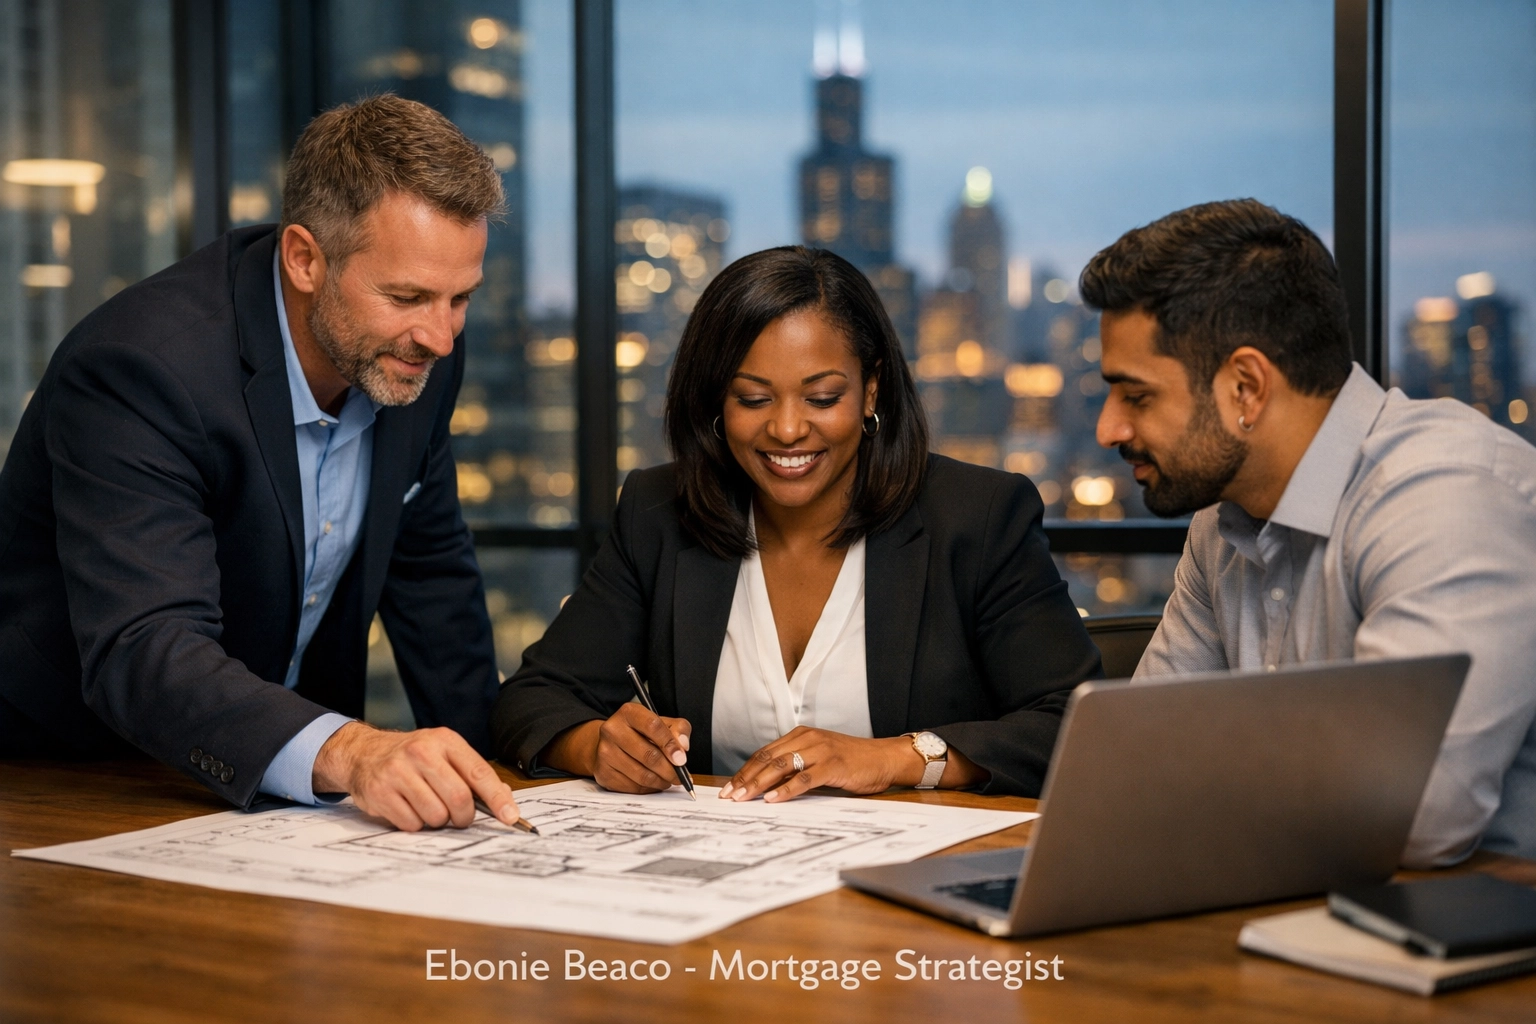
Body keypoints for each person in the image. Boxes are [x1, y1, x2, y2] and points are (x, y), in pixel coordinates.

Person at [0, 95, 524, 832]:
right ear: (305, 258)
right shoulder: (142, 368)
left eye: (460, 298)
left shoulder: (416, 349)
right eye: (406, 296)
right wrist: (353, 751)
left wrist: (500, 775)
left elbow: (431, 576)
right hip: (72, 776)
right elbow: (147, 646)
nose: (439, 336)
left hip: (278, 792)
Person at [492, 246, 1101, 802]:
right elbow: (531, 699)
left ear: (870, 392)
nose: (786, 430)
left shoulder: (978, 515)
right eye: (753, 399)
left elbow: (1075, 723)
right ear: (713, 402)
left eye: (821, 397)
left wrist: (896, 757)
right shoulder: (659, 512)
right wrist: (596, 746)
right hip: (720, 890)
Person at [1083, 197, 1536, 867]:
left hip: (1482, 937)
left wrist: (1196, 774)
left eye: (1136, 395)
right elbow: (1136, 770)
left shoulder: (1446, 497)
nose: (1107, 429)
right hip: (1301, 908)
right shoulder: (1222, 524)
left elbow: (1410, 817)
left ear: (1246, 387)